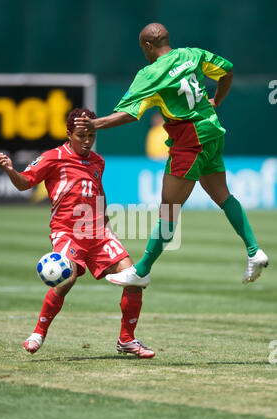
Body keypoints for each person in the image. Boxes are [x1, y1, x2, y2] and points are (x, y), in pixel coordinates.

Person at [75, 22, 269, 288]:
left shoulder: (150, 74)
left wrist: (95, 124)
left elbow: (130, 113)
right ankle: (254, 250)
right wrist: (218, 100)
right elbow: (227, 70)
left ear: (147, 46)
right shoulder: (191, 54)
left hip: (189, 142)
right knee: (223, 194)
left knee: (169, 208)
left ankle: (141, 270)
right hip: (212, 132)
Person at [0, 107, 155, 359]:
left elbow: (99, 192)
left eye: (91, 135)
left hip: (99, 233)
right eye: (82, 135)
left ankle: (126, 339)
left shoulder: (98, 161)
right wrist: (9, 171)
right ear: (69, 134)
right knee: (66, 279)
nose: (88, 140)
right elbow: (25, 183)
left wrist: (107, 223)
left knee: (134, 280)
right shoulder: (52, 157)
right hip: (66, 232)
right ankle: (38, 333)